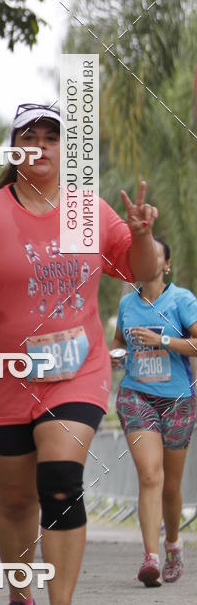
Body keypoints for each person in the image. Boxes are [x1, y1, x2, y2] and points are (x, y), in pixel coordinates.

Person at [0, 102, 159, 605]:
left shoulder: (87, 212)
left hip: (76, 370)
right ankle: (21, 593)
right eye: (28, 138)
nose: (39, 147)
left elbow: (139, 271)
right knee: (15, 499)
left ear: (66, 150)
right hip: (0, 375)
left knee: (58, 480)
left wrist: (141, 236)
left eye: (51, 138)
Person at [112, 236, 197, 586]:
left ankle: (173, 543)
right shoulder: (127, 304)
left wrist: (161, 340)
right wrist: (116, 356)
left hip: (178, 399)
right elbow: (118, 343)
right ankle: (150, 558)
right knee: (149, 475)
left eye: (154, 255)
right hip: (136, 395)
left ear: (165, 265)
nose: (146, 261)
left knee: (170, 487)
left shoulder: (182, 299)